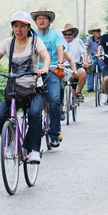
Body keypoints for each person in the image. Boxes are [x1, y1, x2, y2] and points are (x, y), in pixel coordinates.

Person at [0, 11, 50, 164]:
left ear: (28, 27)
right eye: (16, 26)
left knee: (34, 114)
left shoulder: (35, 42)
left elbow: (46, 56)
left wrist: (44, 67)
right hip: (14, 90)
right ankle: (11, 142)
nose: (19, 30)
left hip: (34, 89)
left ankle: (34, 150)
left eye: (22, 26)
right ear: (12, 27)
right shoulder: (8, 43)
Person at [30, 8, 74, 147]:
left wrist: (60, 62)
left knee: (54, 100)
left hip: (52, 69)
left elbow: (60, 48)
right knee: (28, 101)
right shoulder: (31, 34)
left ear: (49, 21)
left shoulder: (56, 35)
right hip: (34, 71)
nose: (41, 20)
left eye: (44, 18)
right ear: (35, 21)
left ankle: (54, 133)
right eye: (38, 18)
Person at [62, 23, 88, 101]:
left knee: (83, 73)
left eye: (69, 34)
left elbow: (84, 52)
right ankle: (61, 101)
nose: (67, 36)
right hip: (63, 66)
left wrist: (85, 61)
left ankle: (78, 92)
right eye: (65, 34)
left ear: (73, 34)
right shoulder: (60, 42)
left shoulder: (78, 41)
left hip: (76, 65)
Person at [85, 24, 104, 92]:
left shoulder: (103, 38)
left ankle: (105, 86)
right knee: (89, 68)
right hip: (93, 57)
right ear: (93, 32)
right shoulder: (89, 39)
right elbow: (86, 46)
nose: (98, 32)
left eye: (99, 31)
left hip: (102, 57)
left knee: (103, 69)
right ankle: (90, 87)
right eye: (96, 31)